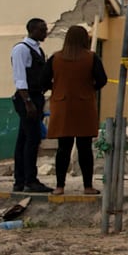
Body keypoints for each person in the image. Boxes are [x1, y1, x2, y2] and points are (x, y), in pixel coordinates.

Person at [47, 25, 107, 195]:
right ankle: (87, 186)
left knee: (63, 148)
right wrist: (89, 88)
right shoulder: (91, 58)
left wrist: (57, 88)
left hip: (62, 105)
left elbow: (42, 80)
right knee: (85, 148)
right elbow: (102, 80)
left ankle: (60, 186)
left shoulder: (55, 58)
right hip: (84, 105)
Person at [10, 18, 54, 193]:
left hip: (37, 96)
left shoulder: (38, 50)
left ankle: (20, 180)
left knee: (23, 139)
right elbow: (20, 77)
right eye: (42, 30)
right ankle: (30, 180)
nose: (45, 33)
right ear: (32, 30)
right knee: (33, 139)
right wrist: (28, 102)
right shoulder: (21, 49)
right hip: (27, 98)